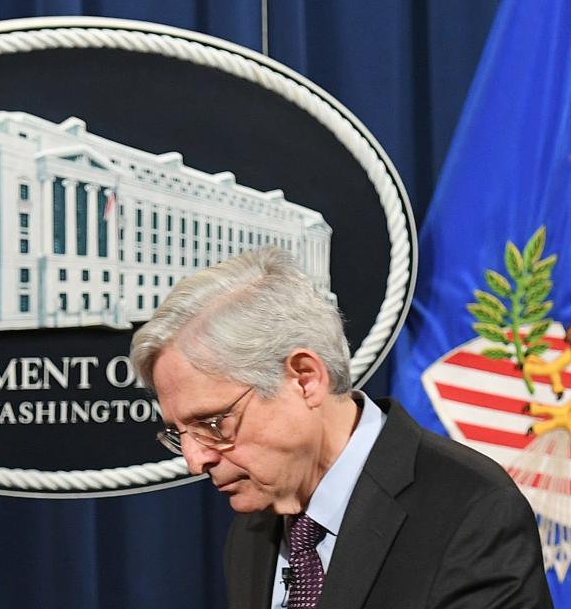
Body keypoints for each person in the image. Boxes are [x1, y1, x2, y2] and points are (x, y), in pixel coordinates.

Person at [130, 247, 552, 609]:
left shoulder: (471, 510)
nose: (193, 460)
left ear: (305, 379)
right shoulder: (254, 529)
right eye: (179, 432)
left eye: (212, 423)